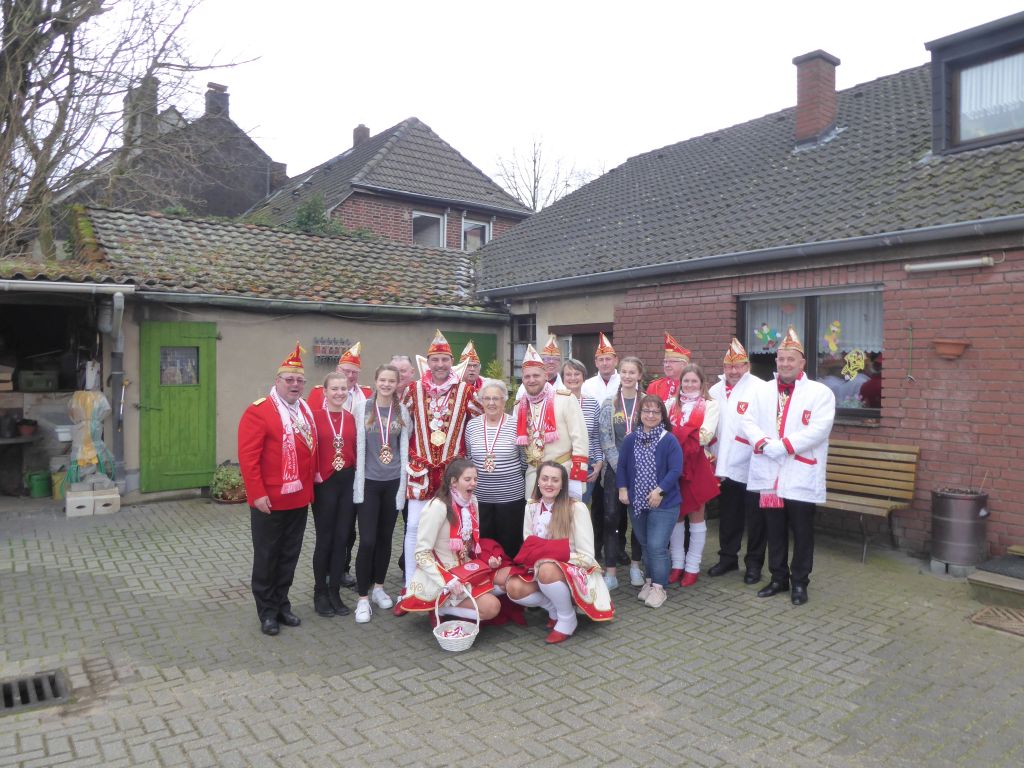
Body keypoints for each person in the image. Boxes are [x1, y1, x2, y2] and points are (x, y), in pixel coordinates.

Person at [743, 326, 836, 606]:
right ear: (776, 361)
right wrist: (762, 443)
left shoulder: (820, 393)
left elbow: (819, 430)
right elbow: (747, 421)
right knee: (774, 529)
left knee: (802, 531)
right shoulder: (762, 390)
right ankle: (778, 578)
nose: (785, 364)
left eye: (790, 359)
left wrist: (783, 445)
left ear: (802, 362)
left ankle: (800, 582)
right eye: (781, 359)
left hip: (800, 473)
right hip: (770, 474)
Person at [395, 330, 482, 613]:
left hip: (452, 474)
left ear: (452, 362)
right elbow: (399, 424)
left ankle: (454, 582)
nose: (440, 364)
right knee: (414, 529)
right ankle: (411, 588)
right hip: (420, 469)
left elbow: (481, 422)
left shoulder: (466, 391)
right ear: (427, 362)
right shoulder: (413, 390)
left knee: (453, 531)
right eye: (435, 360)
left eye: (445, 359)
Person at [238, 342, 317, 636]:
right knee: (267, 556)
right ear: (278, 381)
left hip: (298, 499)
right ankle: (267, 611)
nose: (295, 385)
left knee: (289, 555)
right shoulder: (259, 412)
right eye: (289, 379)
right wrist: (256, 493)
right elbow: (248, 458)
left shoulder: (305, 410)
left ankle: (282, 604)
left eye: (299, 380)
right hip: (269, 500)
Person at [501, 461, 614, 643]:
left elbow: (587, 557)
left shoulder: (576, 508)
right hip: (540, 570)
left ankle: (567, 619)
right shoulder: (531, 507)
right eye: (545, 479)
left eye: (555, 480)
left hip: (574, 571)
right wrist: (537, 562)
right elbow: (529, 546)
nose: (549, 484)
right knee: (513, 587)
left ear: (562, 485)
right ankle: (553, 609)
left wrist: (552, 561)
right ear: (538, 481)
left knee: (547, 569)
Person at [400, 459, 502, 624]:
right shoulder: (437, 507)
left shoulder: (472, 502)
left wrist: (486, 559)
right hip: (442, 576)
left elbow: (470, 544)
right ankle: (437, 608)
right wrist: (448, 580)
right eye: (468, 479)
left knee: (505, 583)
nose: (474, 483)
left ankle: (459, 605)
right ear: (453, 482)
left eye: (475, 479)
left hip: (464, 569)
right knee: (492, 607)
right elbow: (421, 553)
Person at [352, 364, 411, 623]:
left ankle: (378, 588)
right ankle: (362, 598)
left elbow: (404, 444)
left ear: (397, 384)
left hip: (393, 483)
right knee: (367, 540)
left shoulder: (402, 411)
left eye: (391, 381)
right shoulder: (362, 408)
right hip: (369, 483)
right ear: (375, 381)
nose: (386, 384)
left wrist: (404, 481)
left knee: (386, 538)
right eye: (382, 380)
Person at [706, 338, 767, 584]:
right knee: (729, 514)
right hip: (724, 463)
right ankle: (728, 558)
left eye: (738, 365)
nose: (733, 371)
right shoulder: (714, 390)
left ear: (747, 366)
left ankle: (754, 564)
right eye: (729, 366)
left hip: (753, 463)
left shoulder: (761, 388)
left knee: (756, 518)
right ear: (723, 367)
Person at [616, 396, 684, 608]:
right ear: (640, 414)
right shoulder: (631, 439)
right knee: (645, 545)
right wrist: (623, 488)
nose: (650, 415)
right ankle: (649, 581)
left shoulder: (669, 440)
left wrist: (660, 490)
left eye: (655, 411)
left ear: (662, 415)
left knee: (656, 546)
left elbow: (676, 470)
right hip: (637, 502)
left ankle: (659, 587)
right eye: (646, 411)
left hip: (664, 503)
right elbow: (622, 466)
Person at [514, 344, 589, 501]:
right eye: (527, 377)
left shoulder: (566, 399)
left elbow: (580, 439)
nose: (531, 380)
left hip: (563, 472)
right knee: (534, 515)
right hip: (534, 475)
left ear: (546, 376)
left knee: (564, 516)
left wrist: (577, 477)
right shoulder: (519, 406)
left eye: (536, 375)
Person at [309, 371, 357, 617]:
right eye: (334, 389)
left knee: (342, 539)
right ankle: (320, 592)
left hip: (347, 481)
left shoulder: (351, 418)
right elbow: (309, 450)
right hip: (324, 483)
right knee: (325, 539)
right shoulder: (314, 417)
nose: (339, 393)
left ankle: (335, 591)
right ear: (325, 392)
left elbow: (355, 450)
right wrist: (315, 473)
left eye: (343, 388)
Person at [667, 363, 720, 587]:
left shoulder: (710, 405)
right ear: (680, 383)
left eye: (694, 381)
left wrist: (677, 434)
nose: (689, 385)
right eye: (685, 381)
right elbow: (662, 431)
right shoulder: (670, 404)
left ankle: (693, 566)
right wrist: (687, 433)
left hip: (697, 464)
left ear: (701, 383)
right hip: (673, 465)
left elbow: (705, 436)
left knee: (696, 515)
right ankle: (677, 564)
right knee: (676, 515)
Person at [598, 356, 645, 590]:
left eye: (632, 372)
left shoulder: (646, 402)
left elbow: (652, 435)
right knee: (611, 519)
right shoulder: (609, 403)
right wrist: (621, 468)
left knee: (638, 520)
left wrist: (635, 468)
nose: (627, 376)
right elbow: (605, 439)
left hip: (642, 472)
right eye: (624, 372)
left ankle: (636, 566)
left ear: (639, 376)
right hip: (614, 471)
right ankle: (611, 573)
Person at [464, 379, 526, 559]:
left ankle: (510, 575)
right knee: (484, 546)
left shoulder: (516, 424)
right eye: (487, 398)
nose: (491, 403)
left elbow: (524, 460)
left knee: (510, 545)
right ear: (481, 401)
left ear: (504, 401)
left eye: (496, 398)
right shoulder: (472, 426)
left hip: (511, 498)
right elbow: (469, 458)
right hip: (480, 498)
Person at [560, 358, 604, 518]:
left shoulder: (592, 404)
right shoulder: (555, 402)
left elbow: (596, 436)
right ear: (562, 378)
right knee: (560, 509)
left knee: (579, 509)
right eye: (568, 374)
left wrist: (599, 462)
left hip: (586, 464)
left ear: (583, 377)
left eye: (577, 374)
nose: (573, 378)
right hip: (561, 463)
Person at [307, 341, 372, 411]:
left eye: (354, 372)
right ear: (337, 369)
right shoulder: (318, 393)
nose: (350, 375)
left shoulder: (367, 394)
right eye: (347, 371)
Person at [515, 334, 563, 400]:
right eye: (547, 359)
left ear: (560, 363)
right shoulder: (524, 388)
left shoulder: (566, 386)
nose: (551, 362)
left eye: (555, 359)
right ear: (541, 361)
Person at [646, 332, 690, 401]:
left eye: (672, 361)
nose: (667, 365)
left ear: (684, 365)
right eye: (665, 362)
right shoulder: (654, 386)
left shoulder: (692, 385)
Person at [581, 332, 620, 404]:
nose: (604, 363)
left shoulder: (624, 382)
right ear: (596, 363)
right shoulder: (587, 385)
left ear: (616, 361)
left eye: (608, 359)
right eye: (601, 360)